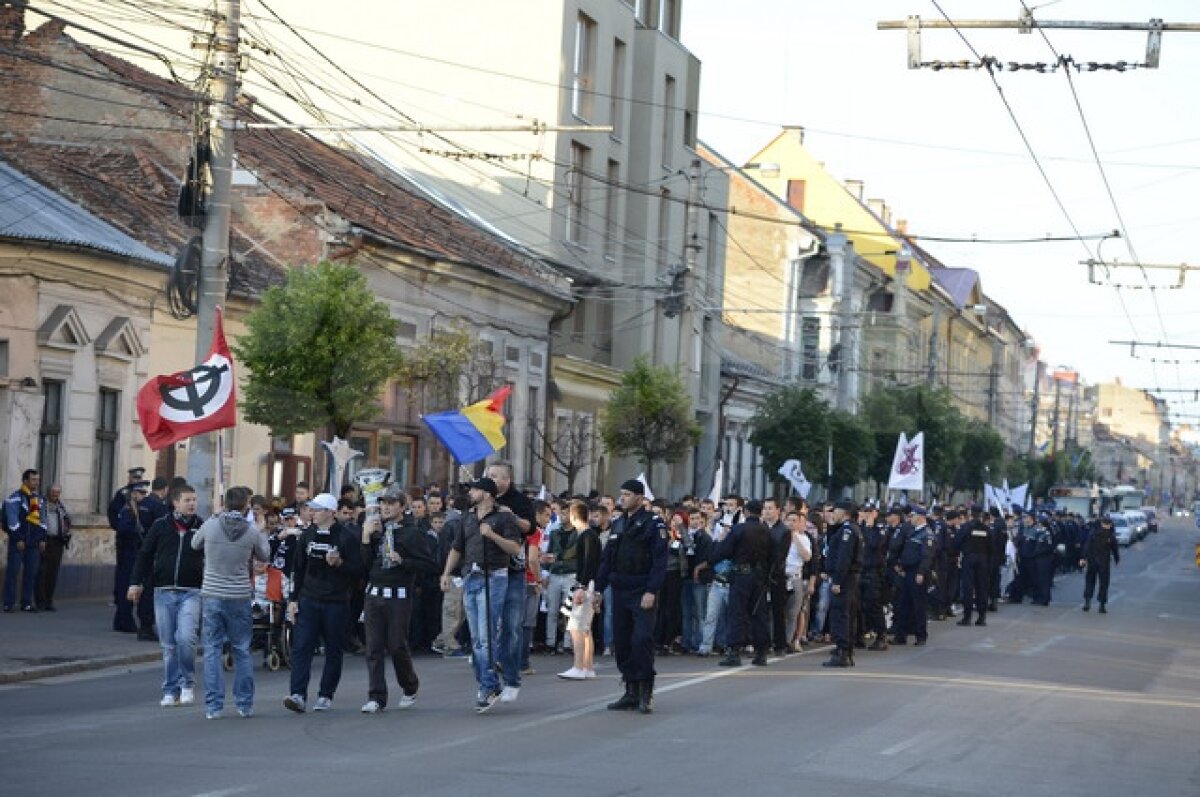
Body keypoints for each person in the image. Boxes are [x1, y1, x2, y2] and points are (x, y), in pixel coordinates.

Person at [439, 477, 523, 713]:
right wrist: (446, 572)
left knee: (486, 635)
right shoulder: (466, 517)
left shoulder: (504, 517)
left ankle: (488, 685)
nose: (471, 493)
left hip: (494, 576)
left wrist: (493, 536)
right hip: (470, 577)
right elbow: (457, 548)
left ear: (487, 493)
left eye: (475, 489)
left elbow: (515, 549)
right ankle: (487, 682)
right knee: (476, 637)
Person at [191, 486, 270, 719]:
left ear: (224, 504)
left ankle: (213, 706)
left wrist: (214, 518)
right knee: (242, 649)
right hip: (239, 594)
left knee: (213, 649)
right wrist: (261, 529)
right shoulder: (251, 531)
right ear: (246, 505)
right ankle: (244, 704)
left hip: (213, 592)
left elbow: (194, 544)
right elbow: (264, 555)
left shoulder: (211, 525)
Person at [283, 492, 364, 714]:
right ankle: (297, 694)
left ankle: (326, 694)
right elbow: (298, 569)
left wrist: (340, 563)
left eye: (317, 509)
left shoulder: (345, 537)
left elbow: (358, 570)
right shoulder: (307, 535)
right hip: (309, 598)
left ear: (330, 512)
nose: (313, 513)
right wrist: (293, 599)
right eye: (311, 509)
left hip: (336, 601)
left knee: (333, 649)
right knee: (302, 647)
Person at [359, 484, 437, 713]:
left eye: (391, 503)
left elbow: (429, 564)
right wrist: (365, 538)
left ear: (402, 507)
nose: (386, 507)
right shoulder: (375, 528)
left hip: (399, 594)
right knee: (373, 647)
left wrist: (403, 560)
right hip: (374, 593)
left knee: (396, 644)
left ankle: (409, 684)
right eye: (383, 503)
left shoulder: (412, 533)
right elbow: (365, 565)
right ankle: (376, 696)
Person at [594, 479, 667, 714]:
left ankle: (646, 690)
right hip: (619, 589)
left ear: (639, 497)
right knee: (622, 641)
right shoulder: (618, 524)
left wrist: (651, 590)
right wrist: (598, 589)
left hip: (641, 589)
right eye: (621, 494)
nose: (622, 498)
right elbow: (607, 561)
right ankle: (630, 689)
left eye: (627, 494)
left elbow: (659, 561)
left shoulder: (653, 524)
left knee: (641, 640)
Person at [128, 483, 204, 707]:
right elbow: (145, 554)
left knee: (186, 638)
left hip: (191, 592)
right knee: (169, 645)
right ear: (176, 503)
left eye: (194, 500)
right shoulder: (161, 525)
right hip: (163, 592)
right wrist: (135, 583)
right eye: (187, 500)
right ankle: (170, 689)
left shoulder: (201, 526)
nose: (192, 504)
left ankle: (187, 683)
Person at [485, 461, 535, 705]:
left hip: (513, 570)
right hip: (486, 568)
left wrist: (511, 516)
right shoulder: (482, 498)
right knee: (485, 626)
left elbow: (530, 527)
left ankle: (512, 677)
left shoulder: (520, 501)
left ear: (507, 480)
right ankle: (488, 680)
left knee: (511, 626)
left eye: (495, 476)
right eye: (488, 475)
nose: (490, 479)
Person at [714, 499, 774, 667]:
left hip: (741, 575)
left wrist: (720, 542)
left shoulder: (739, 529)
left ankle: (734, 652)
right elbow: (774, 555)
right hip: (760, 576)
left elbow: (722, 551)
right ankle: (761, 652)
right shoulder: (767, 531)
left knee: (737, 613)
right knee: (759, 614)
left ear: (746, 512)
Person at [558, 500, 602, 680]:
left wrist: (582, 587)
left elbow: (589, 563)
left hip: (586, 584)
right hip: (589, 584)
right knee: (585, 628)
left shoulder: (587, 536)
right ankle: (587, 667)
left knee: (576, 627)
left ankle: (578, 666)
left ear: (573, 516)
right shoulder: (590, 535)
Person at [822, 500, 864, 668]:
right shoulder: (849, 529)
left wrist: (837, 581)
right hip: (850, 578)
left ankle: (842, 652)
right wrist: (832, 526)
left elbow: (843, 558)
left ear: (845, 512)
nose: (833, 514)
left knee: (840, 615)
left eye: (836, 511)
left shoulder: (847, 530)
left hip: (844, 579)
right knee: (847, 614)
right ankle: (846, 651)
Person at [887, 505, 934, 646]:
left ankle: (921, 636)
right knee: (902, 605)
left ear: (920, 517)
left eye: (913, 516)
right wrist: (898, 565)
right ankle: (900, 636)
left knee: (918, 606)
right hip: (905, 571)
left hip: (917, 573)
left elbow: (927, 556)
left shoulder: (927, 534)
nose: (910, 518)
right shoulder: (911, 531)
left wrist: (921, 572)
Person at [113, 480, 154, 634]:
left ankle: (122, 620)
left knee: (128, 587)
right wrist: (137, 532)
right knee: (126, 587)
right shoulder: (128, 509)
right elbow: (123, 529)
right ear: (134, 494)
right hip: (128, 554)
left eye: (144, 493)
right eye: (141, 493)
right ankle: (124, 621)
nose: (143, 496)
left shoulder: (135, 509)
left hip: (132, 552)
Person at [4, 469, 45, 613]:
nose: (36, 482)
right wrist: (18, 538)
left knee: (31, 573)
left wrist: (42, 538)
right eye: (33, 479)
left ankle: (26, 602)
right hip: (19, 542)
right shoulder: (15, 498)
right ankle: (8, 603)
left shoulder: (39, 499)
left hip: (33, 542)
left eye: (37, 479)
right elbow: (12, 520)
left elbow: (42, 520)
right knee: (13, 572)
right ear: (25, 481)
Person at [856, 500, 889, 651]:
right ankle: (859, 635)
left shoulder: (879, 528)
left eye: (870, 512)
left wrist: (869, 527)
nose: (867, 514)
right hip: (860, 571)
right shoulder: (858, 527)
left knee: (873, 605)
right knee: (858, 606)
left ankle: (881, 635)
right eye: (865, 511)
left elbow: (874, 544)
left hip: (873, 571)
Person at [35, 484, 71, 612]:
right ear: (48, 492)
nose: (55, 495)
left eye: (57, 493)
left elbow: (67, 522)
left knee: (52, 573)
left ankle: (49, 601)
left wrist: (66, 536)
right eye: (53, 492)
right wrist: (40, 538)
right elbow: (36, 522)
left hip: (57, 542)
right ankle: (40, 601)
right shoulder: (41, 505)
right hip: (44, 541)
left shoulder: (61, 508)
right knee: (42, 572)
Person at [955, 507, 992, 627]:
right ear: (980, 514)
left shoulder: (966, 527)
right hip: (983, 559)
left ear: (971, 514)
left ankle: (967, 617)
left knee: (968, 588)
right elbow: (992, 546)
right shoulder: (986, 529)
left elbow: (957, 542)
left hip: (969, 558)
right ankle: (981, 617)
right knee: (982, 587)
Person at [1079, 515, 1120, 613]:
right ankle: (1100, 604)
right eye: (1107, 524)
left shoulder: (1094, 532)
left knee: (1091, 582)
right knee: (1103, 584)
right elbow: (1114, 548)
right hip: (1102, 562)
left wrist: (1084, 558)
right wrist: (1116, 559)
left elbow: (1087, 546)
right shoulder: (1109, 535)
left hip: (1094, 561)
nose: (1108, 526)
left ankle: (1089, 602)